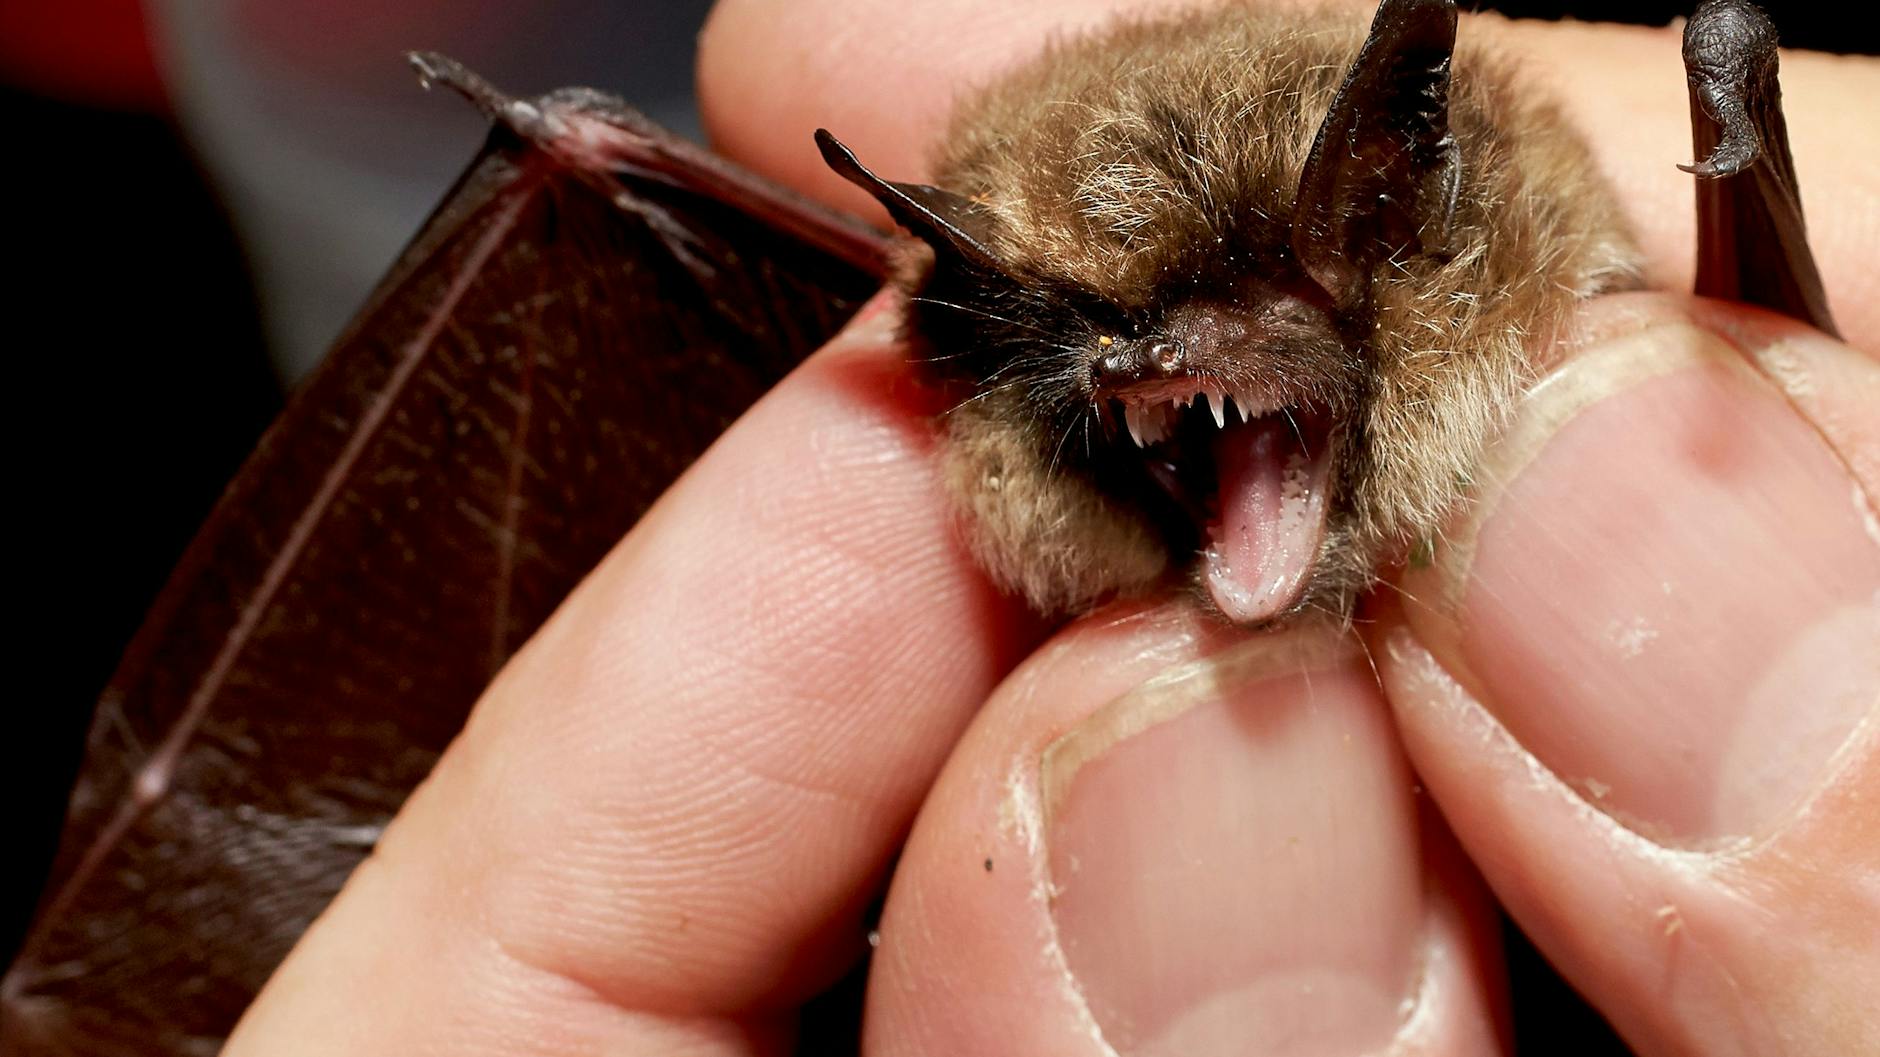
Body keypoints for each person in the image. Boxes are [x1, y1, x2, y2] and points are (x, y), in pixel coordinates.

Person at [223, 1, 1880, 1053]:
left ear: (1395, 216)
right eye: (1101, 355)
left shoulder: (1537, 300)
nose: (1158, 371)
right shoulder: (1020, 498)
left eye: (1237, 312)